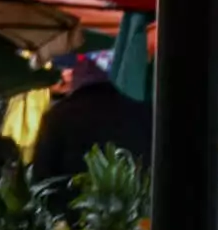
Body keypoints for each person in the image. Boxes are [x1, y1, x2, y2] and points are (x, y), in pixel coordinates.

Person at [32, 53, 154, 186]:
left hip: (72, 198)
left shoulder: (59, 115)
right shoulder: (142, 109)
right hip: (139, 196)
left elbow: (41, 177)